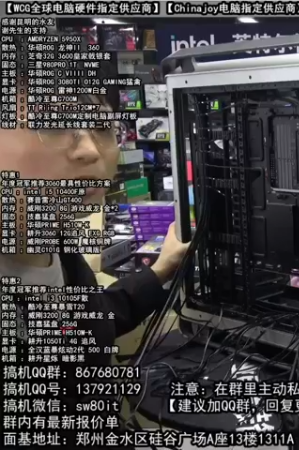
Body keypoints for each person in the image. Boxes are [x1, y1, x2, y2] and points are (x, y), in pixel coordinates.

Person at [2, 44, 190, 446]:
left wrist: (161, 270)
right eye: (53, 124)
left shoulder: (53, 244)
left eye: (102, 128)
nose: (90, 150)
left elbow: (86, 322)